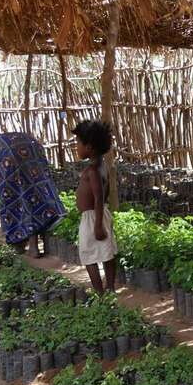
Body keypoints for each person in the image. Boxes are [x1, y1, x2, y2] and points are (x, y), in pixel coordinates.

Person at [0, 133, 66, 257]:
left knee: (16, 201)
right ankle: (41, 246)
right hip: (34, 149)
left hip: (12, 155)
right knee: (37, 196)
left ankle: (26, 246)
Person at [72, 120, 118, 295]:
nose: (76, 146)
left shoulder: (92, 170)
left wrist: (98, 225)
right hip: (99, 214)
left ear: (89, 147)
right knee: (106, 253)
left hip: (93, 217)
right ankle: (110, 289)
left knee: (88, 255)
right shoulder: (102, 165)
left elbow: (98, 198)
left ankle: (101, 293)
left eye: (78, 142)